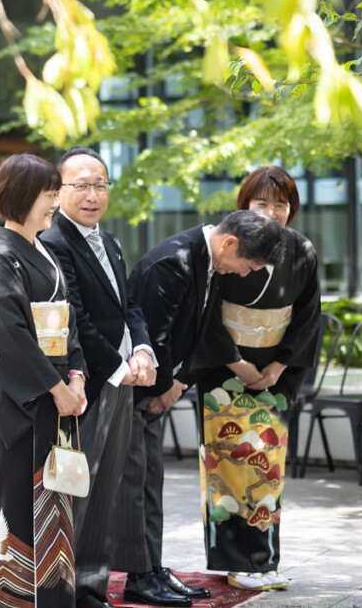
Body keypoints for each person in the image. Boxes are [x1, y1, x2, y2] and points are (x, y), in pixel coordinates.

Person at [114, 210, 284, 607]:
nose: (243, 274)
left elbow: (199, 333)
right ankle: (139, 575)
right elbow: (151, 339)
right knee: (135, 485)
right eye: (247, 266)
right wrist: (163, 390)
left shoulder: (206, 261)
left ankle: (150, 567)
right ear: (229, 244)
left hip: (162, 386)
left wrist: (178, 385)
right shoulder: (172, 262)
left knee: (150, 483)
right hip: (138, 388)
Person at [190, 167, 320, 592]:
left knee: (268, 470)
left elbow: (307, 317)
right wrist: (235, 362)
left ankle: (264, 560)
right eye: (261, 204)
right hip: (224, 371)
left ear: (292, 209)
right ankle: (234, 561)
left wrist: (281, 366)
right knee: (228, 466)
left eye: (280, 205)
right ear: (243, 206)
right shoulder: (224, 251)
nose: (271, 212)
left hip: (275, 374)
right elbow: (205, 313)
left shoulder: (301, 250)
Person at [37, 147, 156, 608]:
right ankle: (61, 590)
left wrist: (143, 350)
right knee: (74, 490)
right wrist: (120, 368)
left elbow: (128, 307)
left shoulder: (110, 241)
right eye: (81, 185)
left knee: (105, 488)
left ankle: (89, 587)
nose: (93, 195)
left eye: (100, 184)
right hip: (85, 381)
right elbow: (76, 320)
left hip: (119, 380)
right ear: (58, 191)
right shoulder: (53, 241)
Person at [0, 152, 87, 608]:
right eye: (49, 195)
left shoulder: (42, 252)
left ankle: (56, 596)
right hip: (23, 399)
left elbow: (68, 323)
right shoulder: (0, 259)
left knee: (57, 492)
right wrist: (55, 388)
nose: (56, 204)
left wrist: (76, 376)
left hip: (57, 393)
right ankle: (18, 599)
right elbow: (8, 335)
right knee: (20, 498)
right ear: (20, 197)